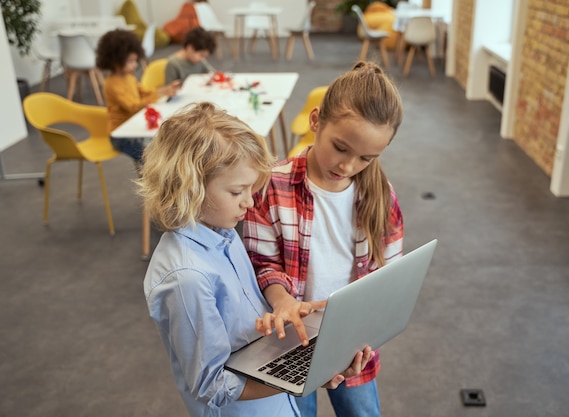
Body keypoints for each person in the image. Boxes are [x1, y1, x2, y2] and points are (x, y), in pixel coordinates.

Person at [137, 101, 374, 417]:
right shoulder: (186, 278)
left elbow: (242, 324)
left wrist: (293, 314)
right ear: (188, 188)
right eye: (237, 192)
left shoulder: (224, 230)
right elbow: (213, 386)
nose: (249, 202)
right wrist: (308, 377)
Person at [243, 61, 405, 417]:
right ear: (316, 121)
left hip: (354, 344)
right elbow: (262, 263)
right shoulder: (271, 186)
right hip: (292, 341)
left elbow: (389, 279)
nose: (348, 166)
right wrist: (283, 300)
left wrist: (364, 332)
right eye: (341, 147)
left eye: (367, 157)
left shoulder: (381, 195)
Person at [95, 29, 180, 163]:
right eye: (130, 61)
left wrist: (165, 90)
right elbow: (132, 107)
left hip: (135, 127)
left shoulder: (129, 77)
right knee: (150, 159)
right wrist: (159, 93)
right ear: (115, 60)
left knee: (162, 147)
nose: (135, 65)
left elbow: (145, 92)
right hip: (121, 135)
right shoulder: (112, 84)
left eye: (135, 60)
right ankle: (150, 181)